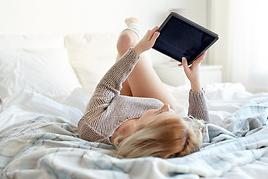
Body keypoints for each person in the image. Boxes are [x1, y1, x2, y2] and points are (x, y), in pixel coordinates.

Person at [78, 18, 209, 159]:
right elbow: (200, 124)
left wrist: (138, 49)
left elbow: (107, 86)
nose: (165, 107)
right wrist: (195, 81)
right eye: (169, 112)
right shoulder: (169, 120)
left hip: (114, 102)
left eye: (159, 114)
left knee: (125, 40)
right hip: (148, 99)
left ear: (143, 133)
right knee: (126, 45)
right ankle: (136, 39)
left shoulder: (93, 126)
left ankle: (135, 26)